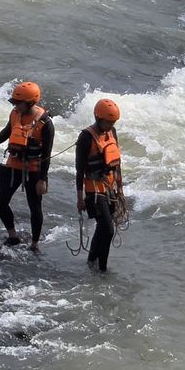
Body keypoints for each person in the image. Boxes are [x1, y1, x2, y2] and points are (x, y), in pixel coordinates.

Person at [0, 81, 54, 251]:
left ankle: (34, 244)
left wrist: (43, 179)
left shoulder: (45, 123)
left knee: (34, 206)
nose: (16, 106)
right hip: (13, 164)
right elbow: (7, 131)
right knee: (1, 201)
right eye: (14, 103)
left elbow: (47, 154)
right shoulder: (15, 113)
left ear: (31, 103)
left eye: (19, 103)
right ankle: (12, 236)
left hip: (33, 169)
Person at [76, 98, 124, 273]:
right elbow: (79, 170)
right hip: (93, 190)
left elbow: (117, 163)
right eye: (108, 122)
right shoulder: (85, 137)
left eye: (113, 122)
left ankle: (91, 262)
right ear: (98, 118)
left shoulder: (112, 132)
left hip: (109, 188)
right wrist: (79, 198)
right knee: (108, 230)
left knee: (103, 227)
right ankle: (102, 269)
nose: (111, 125)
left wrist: (120, 188)